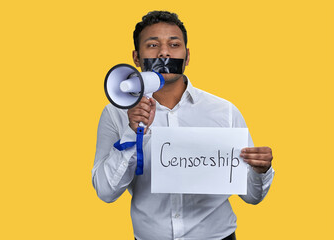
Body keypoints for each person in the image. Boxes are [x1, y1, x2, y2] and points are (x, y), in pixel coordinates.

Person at [92, 11, 274, 240]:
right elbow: (106, 192)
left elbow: (252, 197)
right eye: (152, 44)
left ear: (187, 56)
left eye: (174, 44)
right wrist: (131, 133)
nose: (164, 52)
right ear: (136, 58)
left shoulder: (225, 112)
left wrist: (260, 172)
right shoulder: (115, 113)